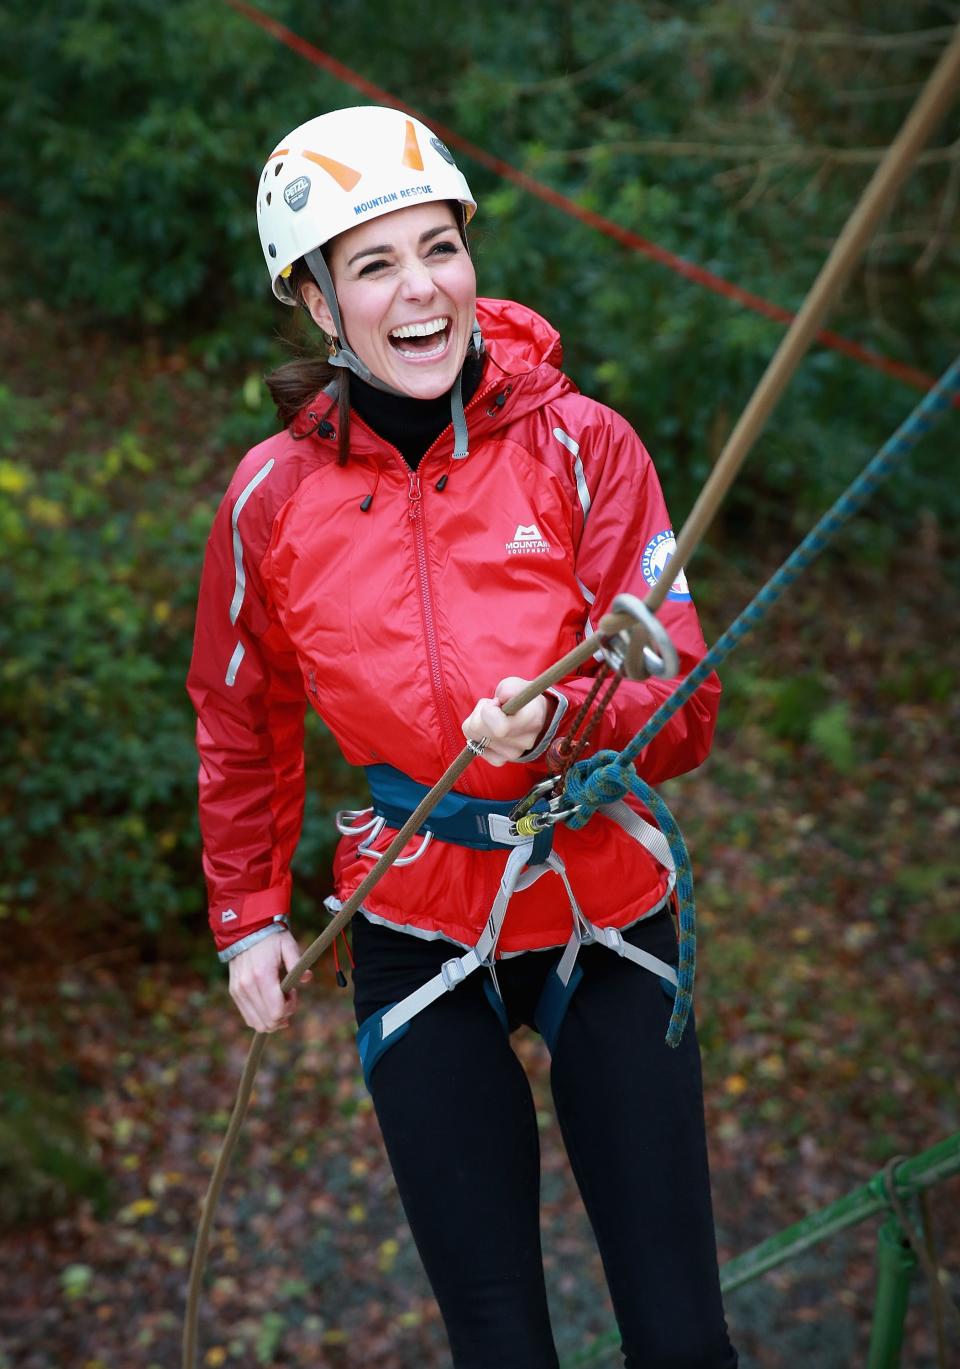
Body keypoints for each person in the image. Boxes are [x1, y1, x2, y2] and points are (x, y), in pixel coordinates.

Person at [188, 105, 737, 1369]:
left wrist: (564, 716)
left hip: (602, 903)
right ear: (321, 307)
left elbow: (687, 701)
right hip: (414, 911)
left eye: (440, 247)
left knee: (682, 1337)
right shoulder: (270, 499)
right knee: (498, 1346)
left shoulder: (583, 447)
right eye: (374, 265)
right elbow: (239, 707)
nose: (421, 289)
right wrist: (247, 915)